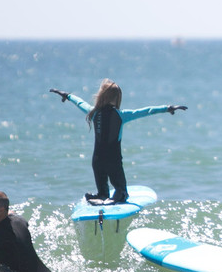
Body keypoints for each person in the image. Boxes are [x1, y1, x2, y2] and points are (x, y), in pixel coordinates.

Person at [52, 80, 186, 203]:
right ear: (117, 98)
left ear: (101, 95)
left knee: (102, 186)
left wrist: (67, 95)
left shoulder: (93, 112)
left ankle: (102, 195)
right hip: (113, 161)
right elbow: (146, 111)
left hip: (97, 160)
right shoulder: (121, 115)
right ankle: (119, 193)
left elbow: (79, 102)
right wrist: (167, 108)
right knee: (120, 187)